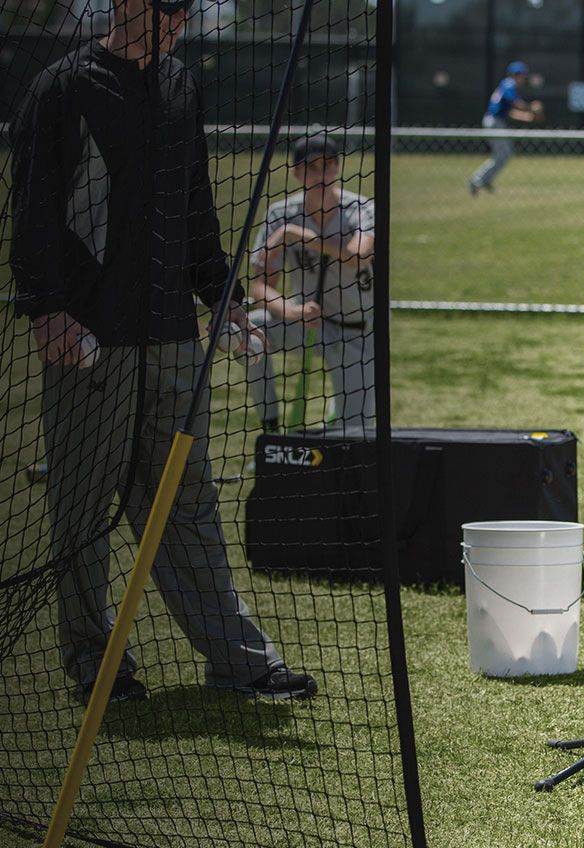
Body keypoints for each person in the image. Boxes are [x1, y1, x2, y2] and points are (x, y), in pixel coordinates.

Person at [9, 0, 316, 703]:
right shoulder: (62, 88)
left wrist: (226, 299)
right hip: (90, 340)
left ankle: (241, 663)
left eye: (184, 9)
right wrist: (46, 310)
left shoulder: (181, 83)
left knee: (189, 502)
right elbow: (32, 209)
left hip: (175, 337)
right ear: (125, 4)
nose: (177, 19)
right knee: (83, 511)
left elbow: (196, 205)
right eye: (164, 8)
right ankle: (96, 664)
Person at [246, 134, 376, 433]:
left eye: (329, 166)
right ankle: (270, 431)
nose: (322, 175)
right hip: (309, 325)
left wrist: (299, 236)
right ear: (296, 173)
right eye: (312, 167)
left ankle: (337, 413)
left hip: (357, 331)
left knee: (355, 433)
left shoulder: (360, 207)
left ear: (338, 168)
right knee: (250, 330)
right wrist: (292, 312)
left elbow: (359, 256)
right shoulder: (280, 214)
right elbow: (260, 287)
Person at [468, 61, 544, 196]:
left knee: (503, 155)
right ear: (517, 75)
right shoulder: (509, 84)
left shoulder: (506, 85)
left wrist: (527, 117)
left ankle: (482, 180)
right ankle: (477, 180)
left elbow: (510, 112)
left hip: (496, 122)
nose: (523, 79)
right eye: (522, 76)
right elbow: (516, 103)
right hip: (494, 122)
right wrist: (531, 108)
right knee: (503, 155)